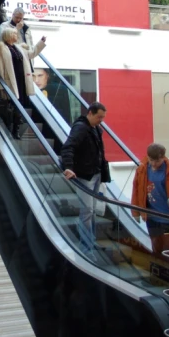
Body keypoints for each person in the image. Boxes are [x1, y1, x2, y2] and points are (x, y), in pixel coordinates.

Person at [60, 102, 111, 256]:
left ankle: (90, 242)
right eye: (99, 117)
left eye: (103, 117)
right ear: (90, 113)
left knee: (92, 211)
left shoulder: (95, 128)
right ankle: (86, 247)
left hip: (94, 174)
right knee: (87, 211)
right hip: (86, 175)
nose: (101, 120)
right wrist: (68, 167)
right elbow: (68, 147)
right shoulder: (81, 128)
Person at [0, 27, 46, 138]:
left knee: (20, 105)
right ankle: (9, 127)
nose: (16, 35)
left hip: (21, 82)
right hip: (10, 82)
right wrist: (1, 86)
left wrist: (41, 43)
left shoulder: (19, 47)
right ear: (8, 35)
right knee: (12, 106)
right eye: (14, 33)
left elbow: (32, 54)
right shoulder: (2, 48)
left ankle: (16, 129)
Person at [131, 143, 169, 256]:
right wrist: (136, 212)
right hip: (151, 216)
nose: (154, 164)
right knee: (156, 248)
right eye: (151, 160)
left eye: (157, 161)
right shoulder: (142, 169)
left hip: (168, 217)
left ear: (163, 157)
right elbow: (137, 190)